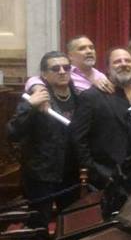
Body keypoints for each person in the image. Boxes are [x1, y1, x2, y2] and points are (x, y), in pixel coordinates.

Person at [72, 47, 131, 215]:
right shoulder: (92, 97)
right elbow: (78, 139)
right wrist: (99, 172)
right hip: (111, 178)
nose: (124, 64)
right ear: (107, 67)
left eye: (128, 60)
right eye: (117, 61)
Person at [7, 51, 80, 227]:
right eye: (55, 68)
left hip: (71, 173)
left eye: (66, 67)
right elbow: (12, 132)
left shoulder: (79, 97)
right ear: (44, 75)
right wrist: (29, 106)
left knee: (70, 224)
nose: (62, 71)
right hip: (41, 174)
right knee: (39, 225)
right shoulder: (36, 98)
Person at [24, 35, 112, 93]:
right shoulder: (64, 72)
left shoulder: (100, 76)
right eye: (82, 49)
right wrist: (38, 87)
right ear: (70, 56)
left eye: (91, 48)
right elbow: (34, 79)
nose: (89, 51)